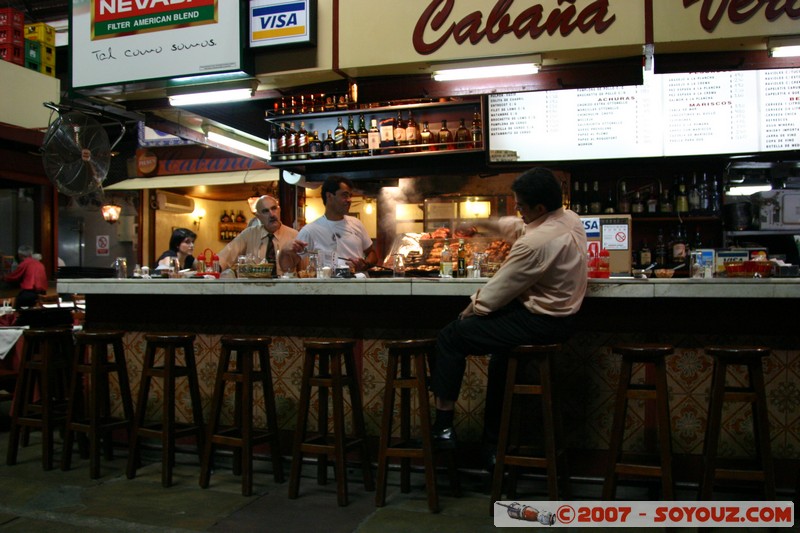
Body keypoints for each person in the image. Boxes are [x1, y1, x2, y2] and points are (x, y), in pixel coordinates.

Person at [429, 167, 588, 465]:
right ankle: (493, 448)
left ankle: (444, 426)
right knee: (500, 361)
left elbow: (496, 292)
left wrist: (470, 309)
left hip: (541, 323)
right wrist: (485, 223)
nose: (517, 210)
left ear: (539, 208)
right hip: (564, 321)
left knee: (451, 336)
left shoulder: (535, 244)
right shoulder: (569, 219)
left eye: (520, 206)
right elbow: (521, 227)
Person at [280, 176, 377, 273]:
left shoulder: (356, 223)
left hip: (359, 285)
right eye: (345, 195)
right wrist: (284, 250)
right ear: (329, 196)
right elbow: (286, 267)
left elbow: (372, 253)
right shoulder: (310, 230)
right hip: (328, 286)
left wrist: (365, 264)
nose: (349, 200)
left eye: (350, 196)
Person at [217, 195, 298, 277]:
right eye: (265, 211)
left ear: (279, 210)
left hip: (285, 288)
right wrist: (212, 271)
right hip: (255, 287)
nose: (272, 214)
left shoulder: (294, 235)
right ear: (258, 216)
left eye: (274, 208)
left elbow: (304, 271)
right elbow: (225, 256)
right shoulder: (249, 234)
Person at [3, 244, 48, 309]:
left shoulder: (25, 263)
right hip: (42, 293)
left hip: (30, 293)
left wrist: (4, 277)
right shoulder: (40, 264)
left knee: (16, 308)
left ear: (20, 255)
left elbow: (13, 277)